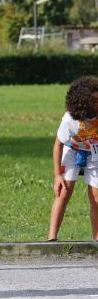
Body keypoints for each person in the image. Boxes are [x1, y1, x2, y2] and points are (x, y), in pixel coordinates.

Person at [47, 76, 98, 242]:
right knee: (64, 192)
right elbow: (58, 145)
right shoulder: (70, 119)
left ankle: (96, 238)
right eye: (95, 100)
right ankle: (51, 239)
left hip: (94, 152)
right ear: (84, 103)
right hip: (72, 150)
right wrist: (57, 175)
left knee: (96, 197)